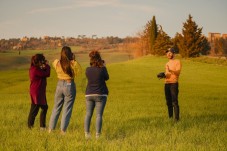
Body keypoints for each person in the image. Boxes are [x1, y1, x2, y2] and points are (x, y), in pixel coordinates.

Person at [48, 46, 81, 134]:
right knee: (67, 109)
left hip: (59, 85)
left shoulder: (57, 62)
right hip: (69, 85)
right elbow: (78, 72)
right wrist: (73, 59)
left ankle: (50, 129)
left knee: (56, 107)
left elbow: (53, 63)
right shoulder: (73, 63)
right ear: (70, 54)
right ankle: (63, 131)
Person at [84, 50, 109, 139]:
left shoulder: (87, 70)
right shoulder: (102, 69)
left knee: (88, 114)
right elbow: (107, 78)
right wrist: (104, 66)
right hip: (101, 94)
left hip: (89, 94)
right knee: (99, 115)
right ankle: (97, 135)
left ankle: (87, 134)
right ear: (99, 59)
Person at [28, 54, 50, 130]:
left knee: (44, 108)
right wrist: (47, 66)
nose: (43, 61)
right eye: (42, 60)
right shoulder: (35, 70)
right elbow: (46, 74)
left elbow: (43, 73)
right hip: (37, 92)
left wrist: (43, 67)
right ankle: (31, 127)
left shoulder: (34, 68)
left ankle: (41, 127)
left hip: (39, 92)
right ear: (39, 61)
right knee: (34, 110)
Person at [164, 48, 182, 121]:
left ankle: (177, 119)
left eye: (170, 52)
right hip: (166, 84)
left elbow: (178, 72)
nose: (168, 54)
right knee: (168, 102)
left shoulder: (177, 62)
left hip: (174, 84)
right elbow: (168, 74)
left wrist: (170, 70)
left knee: (174, 101)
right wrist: (163, 75)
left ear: (174, 54)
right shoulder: (167, 64)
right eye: (167, 52)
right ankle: (170, 118)